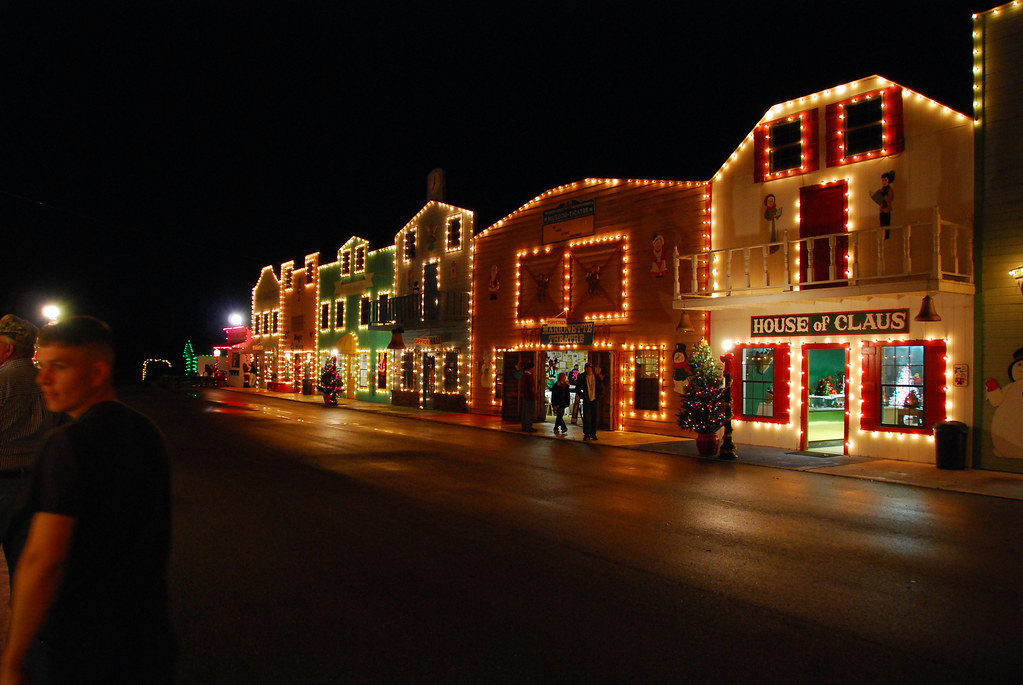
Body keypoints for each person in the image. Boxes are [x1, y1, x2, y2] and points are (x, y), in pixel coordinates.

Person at [1, 316, 176, 684]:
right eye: (42, 366)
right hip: (147, 634)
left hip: (77, 642)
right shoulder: (148, 432)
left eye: (58, 367)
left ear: (97, 372)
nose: (42, 379)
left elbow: (43, 558)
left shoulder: (68, 444)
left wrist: (13, 659)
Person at [0, 315, 60, 583]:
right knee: (25, 574)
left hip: (2, 484)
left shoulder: (2, 380)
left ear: (8, 348)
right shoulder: (48, 383)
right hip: (36, 487)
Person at [576, 362, 604, 441]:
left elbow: (601, 389)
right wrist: (582, 395)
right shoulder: (583, 378)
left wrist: (598, 397)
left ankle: (593, 433)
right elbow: (577, 388)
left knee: (594, 417)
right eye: (587, 367)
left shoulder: (597, 378)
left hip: (594, 399)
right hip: (587, 399)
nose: (588, 369)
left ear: (592, 368)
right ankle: (587, 434)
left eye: (589, 367)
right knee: (587, 417)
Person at [515, 360, 537, 432]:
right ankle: (528, 427)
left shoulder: (523, 375)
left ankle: (524, 426)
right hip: (529, 397)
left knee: (525, 412)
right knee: (529, 412)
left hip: (525, 396)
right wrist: (535, 394)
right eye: (533, 368)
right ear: (531, 368)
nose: (534, 369)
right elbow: (531, 387)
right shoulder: (529, 376)